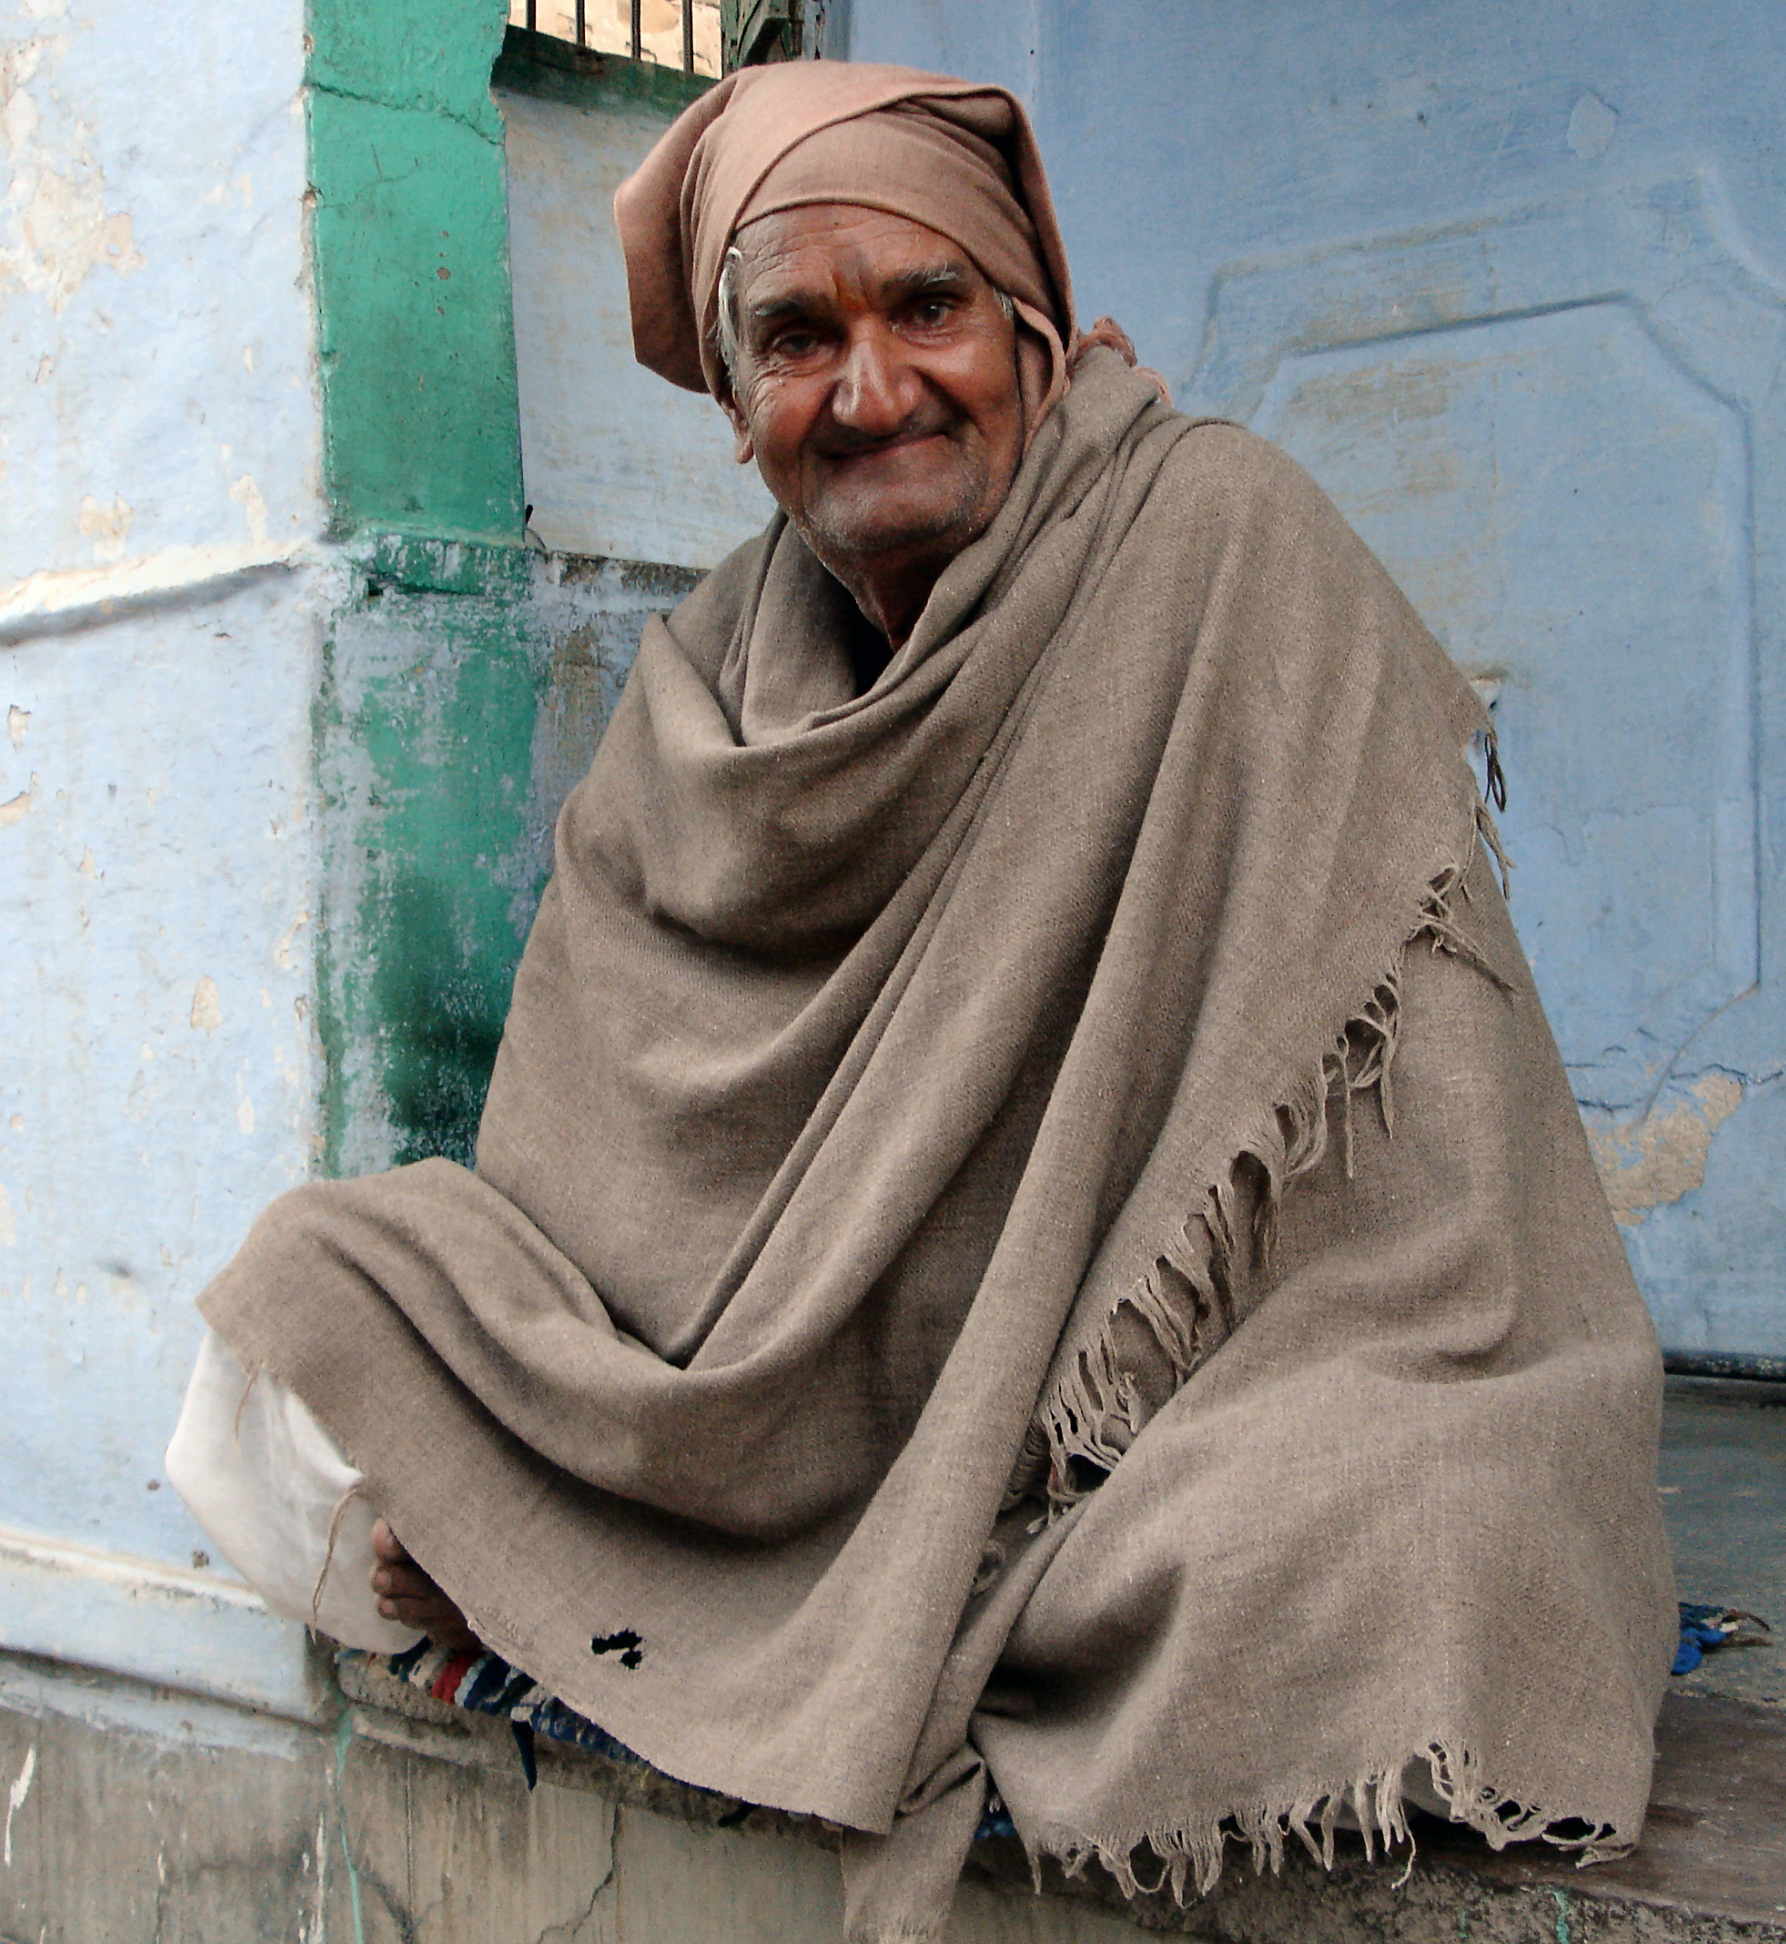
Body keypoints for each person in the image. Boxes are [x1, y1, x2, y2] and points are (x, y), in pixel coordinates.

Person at [168, 59, 1674, 1944]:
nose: (871, 391)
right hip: (776, 1411)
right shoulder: (708, 682)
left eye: (928, 308)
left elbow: (1432, 1203)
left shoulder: (1219, 547)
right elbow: (588, 1181)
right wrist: (526, 1478)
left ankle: (689, 1616)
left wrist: (581, 1543)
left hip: (1155, 1401)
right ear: (733, 409)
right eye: (797, 338)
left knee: (1419, 1540)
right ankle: (675, 1591)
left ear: (1034, 326)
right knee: (304, 1316)